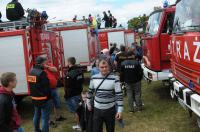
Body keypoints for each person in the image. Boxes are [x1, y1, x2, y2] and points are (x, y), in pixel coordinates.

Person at [87, 59, 123, 132]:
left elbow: (119, 95)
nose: (104, 69)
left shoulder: (115, 78)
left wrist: (120, 110)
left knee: (110, 129)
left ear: (109, 67)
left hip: (110, 110)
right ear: (98, 68)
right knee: (96, 130)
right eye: (102, 67)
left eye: (106, 66)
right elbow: (90, 92)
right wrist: (88, 104)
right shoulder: (93, 78)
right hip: (97, 110)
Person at [28, 56, 52, 132]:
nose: (46, 64)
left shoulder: (31, 71)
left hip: (35, 98)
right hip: (44, 99)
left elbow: (31, 85)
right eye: (46, 62)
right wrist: (49, 97)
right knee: (45, 118)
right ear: (42, 63)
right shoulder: (42, 73)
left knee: (36, 115)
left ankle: (36, 130)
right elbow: (46, 88)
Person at [64, 57, 84, 130]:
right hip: (79, 93)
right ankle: (82, 123)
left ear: (69, 62)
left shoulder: (70, 74)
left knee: (76, 111)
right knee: (80, 109)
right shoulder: (80, 71)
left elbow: (67, 86)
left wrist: (66, 96)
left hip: (73, 95)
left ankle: (79, 126)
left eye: (67, 62)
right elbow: (82, 81)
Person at [44, 62, 66, 128]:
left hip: (54, 88)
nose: (45, 61)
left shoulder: (48, 64)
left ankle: (58, 117)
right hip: (47, 90)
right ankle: (49, 121)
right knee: (48, 106)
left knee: (57, 103)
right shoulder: (40, 67)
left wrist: (47, 66)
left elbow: (55, 70)